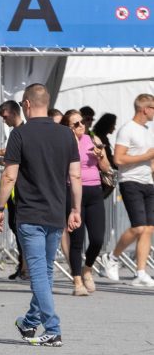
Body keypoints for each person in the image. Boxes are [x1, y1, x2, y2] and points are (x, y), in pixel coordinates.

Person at [0, 83, 80, 347]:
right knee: (44, 271)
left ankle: (53, 328)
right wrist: (75, 209)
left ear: (27, 104)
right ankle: (30, 322)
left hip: (30, 213)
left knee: (39, 273)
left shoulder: (19, 135)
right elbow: (75, 175)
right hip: (56, 212)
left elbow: (9, 175)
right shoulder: (67, 135)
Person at [99, 94, 154, 285]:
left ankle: (140, 272)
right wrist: (146, 156)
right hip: (130, 181)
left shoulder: (148, 130)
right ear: (144, 109)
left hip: (148, 182)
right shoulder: (127, 129)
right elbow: (119, 159)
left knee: (148, 229)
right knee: (138, 227)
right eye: (153, 108)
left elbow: (150, 158)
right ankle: (112, 257)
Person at [61, 109, 110, 296]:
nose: (82, 125)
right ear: (68, 127)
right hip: (73, 192)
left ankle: (87, 269)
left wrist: (101, 154)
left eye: (82, 122)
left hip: (95, 191)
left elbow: (105, 168)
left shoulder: (93, 139)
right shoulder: (65, 143)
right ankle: (77, 280)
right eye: (76, 124)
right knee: (77, 239)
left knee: (98, 239)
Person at [0, 101, 27, 280]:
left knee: (21, 229)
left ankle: (25, 266)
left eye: (5, 116)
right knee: (16, 228)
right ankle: (22, 264)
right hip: (14, 192)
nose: (4, 120)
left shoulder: (21, 132)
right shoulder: (16, 133)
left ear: (14, 112)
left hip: (19, 190)